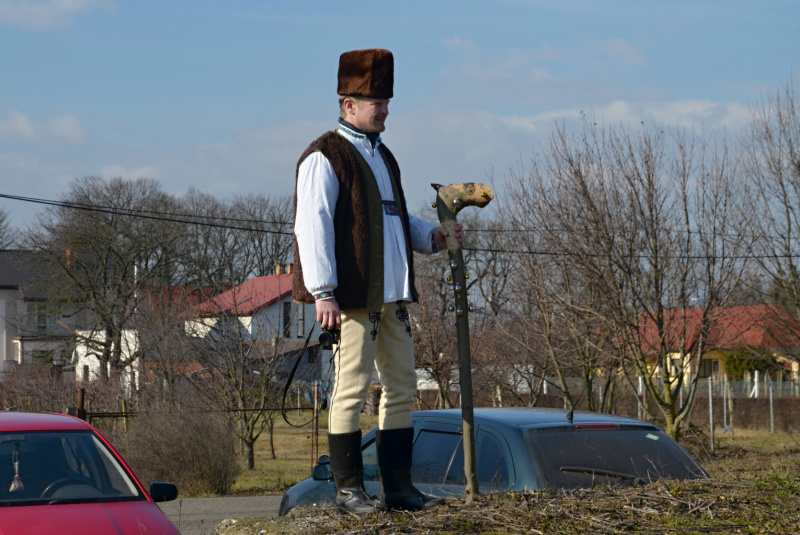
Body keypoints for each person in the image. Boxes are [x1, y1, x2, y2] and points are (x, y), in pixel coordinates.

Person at [293, 48, 462, 514]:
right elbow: (313, 225)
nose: (384, 109)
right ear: (348, 104)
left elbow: (393, 218)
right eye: (375, 102)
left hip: (391, 297)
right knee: (350, 389)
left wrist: (434, 236)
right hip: (350, 298)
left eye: (386, 101)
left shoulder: (383, 156)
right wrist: (323, 291)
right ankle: (349, 493)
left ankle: (399, 489)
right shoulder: (323, 157)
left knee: (402, 387)